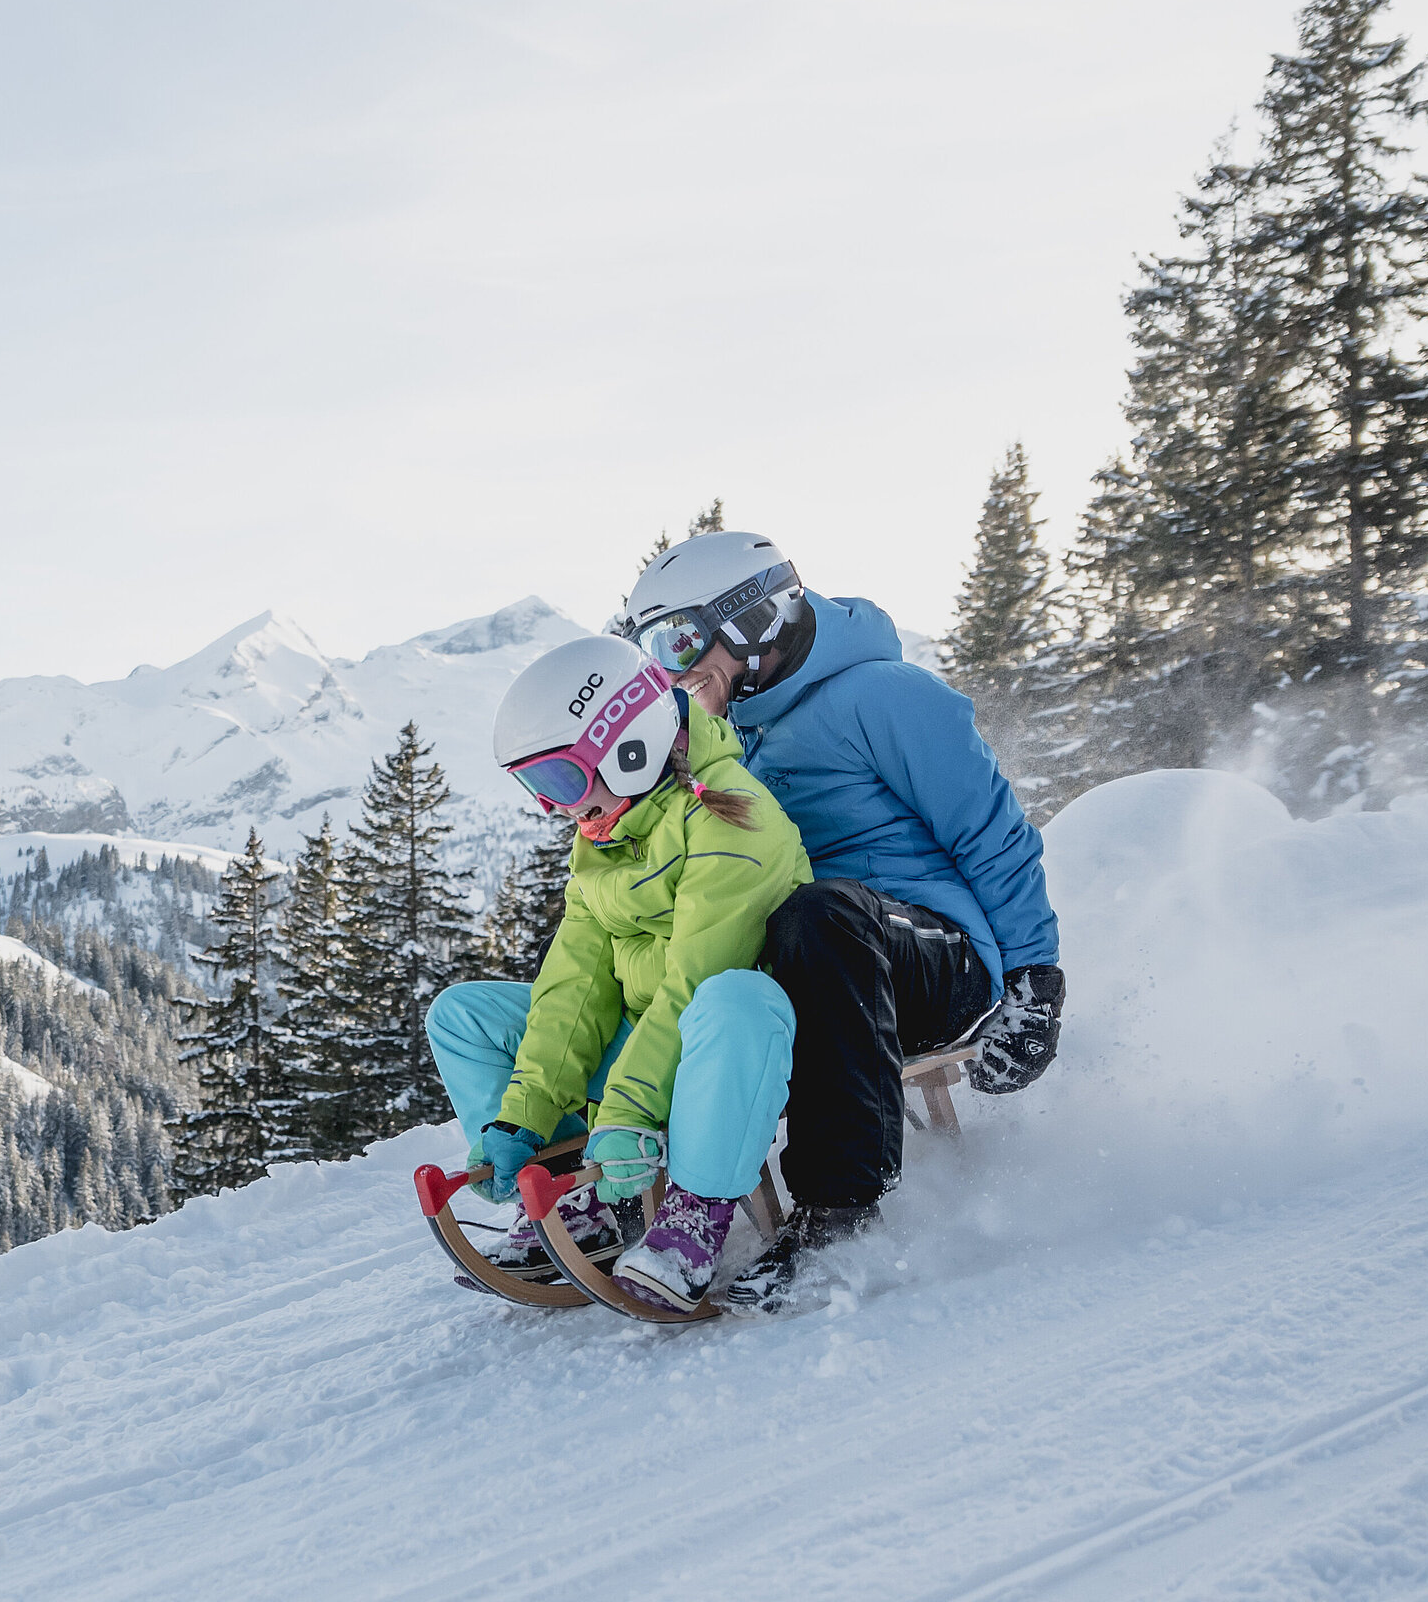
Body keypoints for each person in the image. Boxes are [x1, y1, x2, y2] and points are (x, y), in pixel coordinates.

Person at [623, 529, 1063, 1313]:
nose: (671, 667)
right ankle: (644, 1188)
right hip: (819, 965)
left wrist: (1036, 980)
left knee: (816, 913)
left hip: (934, 957)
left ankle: (839, 1213)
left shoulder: (886, 695)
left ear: (752, 619)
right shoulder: (725, 740)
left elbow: (990, 833)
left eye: (680, 639)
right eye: (654, 649)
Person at [425, 634, 812, 1316]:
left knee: (735, 998)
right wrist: (523, 1116)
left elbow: (695, 982)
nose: (557, 808)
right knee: (461, 1015)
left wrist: (628, 1111)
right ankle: (569, 1193)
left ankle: (696, 1214)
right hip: (647, 1042)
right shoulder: (605, 834)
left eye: (562, 781)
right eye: (538, 788)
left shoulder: (736, 821)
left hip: (725, 1055)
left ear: (629, 745)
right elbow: (575, 987)